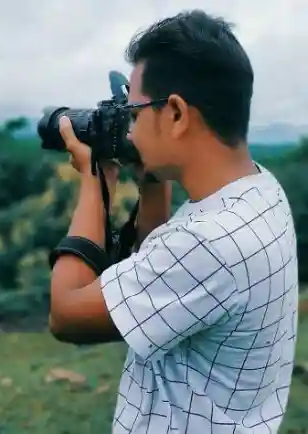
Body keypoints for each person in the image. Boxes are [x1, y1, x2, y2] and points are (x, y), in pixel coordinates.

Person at [48, 9, 298, 434]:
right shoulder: (260, 194)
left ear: (177, 114)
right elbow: (163, 273)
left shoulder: (209, 243)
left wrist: (97, 179)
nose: (129, 130)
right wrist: (150, 181)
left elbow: (66, 314)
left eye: (136, 113)